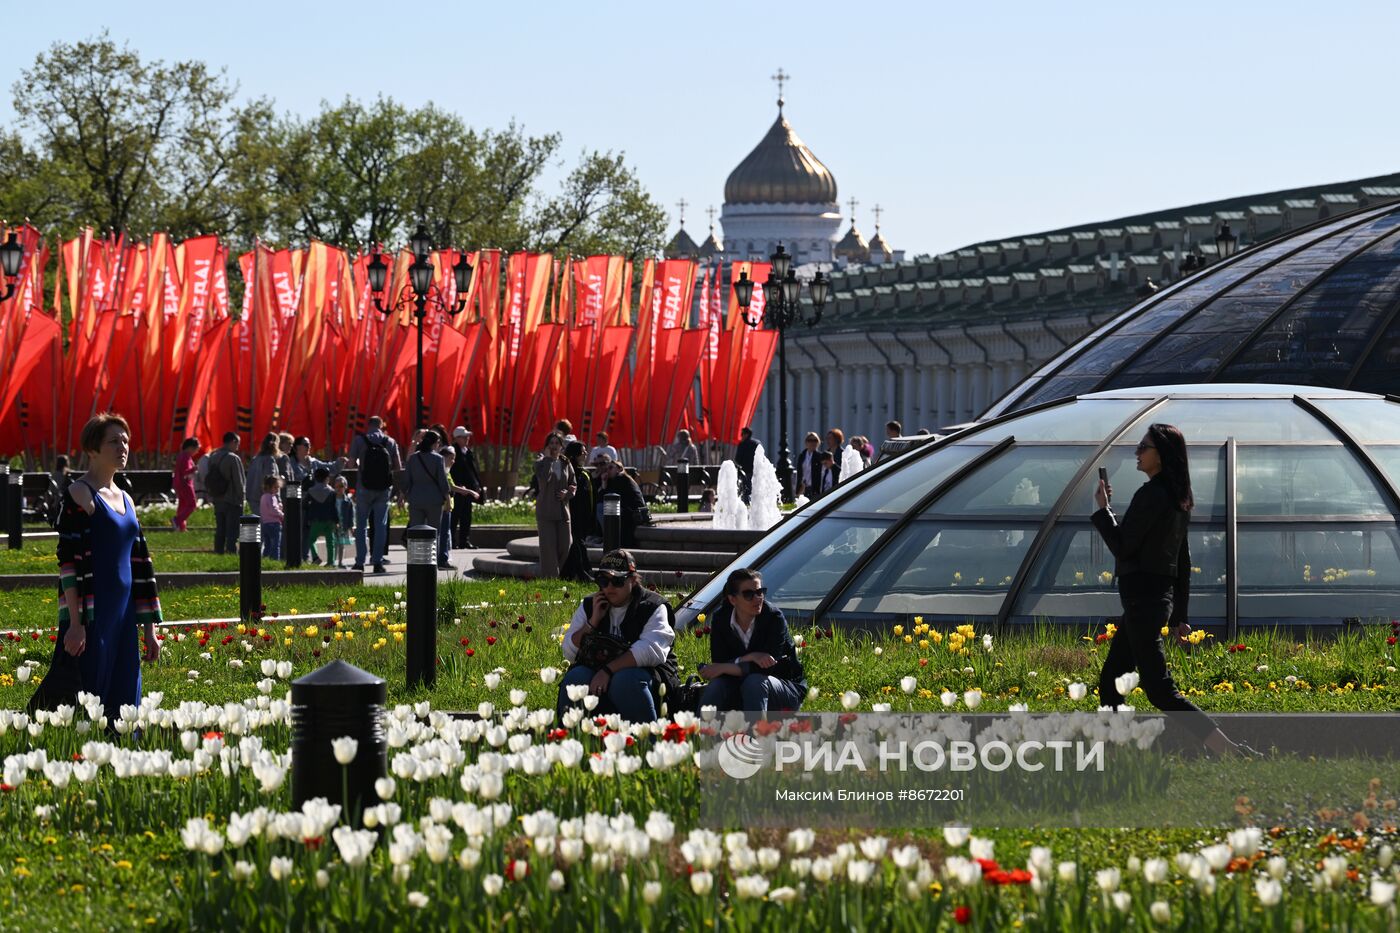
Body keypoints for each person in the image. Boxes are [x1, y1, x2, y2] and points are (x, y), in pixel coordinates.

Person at [1092, 422, 1255, 758]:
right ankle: (1115, 750)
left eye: (1144, 447)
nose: (1137, 452)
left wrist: (1102, 511)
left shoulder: (1151, 494)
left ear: (1162, 455)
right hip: (1154, 601)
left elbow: (1123, 547)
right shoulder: (1177, 497)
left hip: (1142, 602)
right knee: (1111, 679)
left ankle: (1227, 749)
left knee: (1158, 688)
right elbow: (1182, 561)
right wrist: (1180, 614)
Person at [47, 413, 162, 721]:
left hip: (124, 616)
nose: (122, 447)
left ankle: (123, 756)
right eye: (114, 441)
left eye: (125, 441)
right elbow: (68, 565)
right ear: (92, 449)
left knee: (126, 696)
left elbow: (140, 566)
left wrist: (150, 629)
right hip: (92, 614)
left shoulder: (126, 498)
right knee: (90, 696)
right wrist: (74, 623)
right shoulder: (80, 494)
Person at [555, 550, 678, 724]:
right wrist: (592, 623)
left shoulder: (653, 606)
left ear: (633, 579)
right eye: (603, 581)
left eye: (617, 581)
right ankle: (569, 741)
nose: (609, 588)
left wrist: (608, 671)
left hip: (648, 676)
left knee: (624, 680)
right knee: (576, 678)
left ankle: (647, 741)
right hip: (598, 672)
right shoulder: (591, 605)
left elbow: (651, 651)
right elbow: (569, 652)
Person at [698, 568, 806, 714]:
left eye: (760, 592)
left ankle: (756, 735)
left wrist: (724, 667)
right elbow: (719, 660)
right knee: (716, 685)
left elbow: (766, 668)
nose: (757, 598)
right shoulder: (721, 618)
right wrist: (750, 657)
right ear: (732, 599)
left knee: (754, 682)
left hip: (783, 687)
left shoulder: (774, 618)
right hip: (740, 685)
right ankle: (698, 734)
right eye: (749, 594)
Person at [349, 415, 403, 574]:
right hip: (383, 489)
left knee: (361, 526)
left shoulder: (359, 441)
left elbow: (351, 464)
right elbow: (398, 468)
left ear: (368, 425)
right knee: (380, 526)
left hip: (363, 488)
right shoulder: (390, 442)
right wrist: (399, 491)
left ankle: (360, 562)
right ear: (381, 425)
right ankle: (377, 562)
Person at [534, 432, 576, 579]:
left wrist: (567, 493)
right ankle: (550, 578)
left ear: (561, 446)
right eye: (551, 443)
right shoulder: (540, 462)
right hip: (545, 511)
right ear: (547, 446)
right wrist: (547, 459)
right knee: (548, 548)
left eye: (556, 443)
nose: (553, 446)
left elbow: (573, 484)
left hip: (563, 511)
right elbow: (544, 479)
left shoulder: (566, 463)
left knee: (566, 545)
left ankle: (561, 574)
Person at [560, 440, 596, 582]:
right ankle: (583, 572)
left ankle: (577, 572)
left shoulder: (585, 473)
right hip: (573, 515)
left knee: (578, 543)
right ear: (575, 455)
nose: (586, 453)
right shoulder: (570, 472)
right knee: (577, 545)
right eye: (583, 451)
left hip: (584, 516)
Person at [404, 430, 451, 534]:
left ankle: (417, 550)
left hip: (416, 499)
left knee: (415, 532)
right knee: (434, 533)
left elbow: (407, 480)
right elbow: (442, 481)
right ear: (434, 443)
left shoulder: (413, 458)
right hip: (434, 500)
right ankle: (432, 551)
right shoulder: (438, 459)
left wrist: (402, 496)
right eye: (438, 442)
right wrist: (448, 500)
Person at [205, 432, 245, 555]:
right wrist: (242, 497)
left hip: (218, 498)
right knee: (232, 530)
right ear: (233, 442)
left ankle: (218, 551)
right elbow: (239, 481)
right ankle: (231, 552)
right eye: (237, 443)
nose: (238, 447)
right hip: (232, 499)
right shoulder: (233, 458)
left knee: (220, 528)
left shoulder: (213, 456)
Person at [437, 446, 474, 571]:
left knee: (444, 534)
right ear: (443, 458)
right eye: (451, 458)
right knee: (444, 535)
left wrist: (467, 491)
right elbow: (449, 488)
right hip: (444, 507)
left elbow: (452, 487)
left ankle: (443, 558)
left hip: (445, 507)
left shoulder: (445, 471)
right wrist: (468, 491)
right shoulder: (442, 471)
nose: (453, 461)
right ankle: (443, 559)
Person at [598, 459, 649, 548]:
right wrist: (604, 482)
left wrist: (604, 485)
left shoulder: (621, 478)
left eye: (610, 468)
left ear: (619, 469)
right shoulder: (616, 479)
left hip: (633, 512)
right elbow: (603, 498)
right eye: (606, 469)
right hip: (631, 511)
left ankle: (609, 537)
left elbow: (606, 499)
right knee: (602, 507)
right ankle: (607, 537)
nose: (608, 471)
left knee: (600, 508)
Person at [449, 427, 483, 550]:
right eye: (464, 437)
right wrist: (458, 484)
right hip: (457, 489)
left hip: (468, 490)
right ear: (457, 438)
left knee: (466, 516)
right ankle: (451, 541)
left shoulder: (468, 452)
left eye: (467, 436)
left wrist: (476, 485)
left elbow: (472, 471)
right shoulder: (453, 451)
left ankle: (465, 541)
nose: (467, 439)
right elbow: (451, 470)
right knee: (454, 516)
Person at [245, 433, 287, 515]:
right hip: (266, 499)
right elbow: (272, 481)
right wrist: (278, 501)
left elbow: (249, 478)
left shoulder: (255, 459)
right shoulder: (269, 460)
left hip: (253, 498)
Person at [305, 467, 339, 565]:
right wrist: (336, 521)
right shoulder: (332, 492)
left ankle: (315, 557)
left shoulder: (311, 491)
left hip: (315, 520)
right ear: (327, 478)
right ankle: (330, 562)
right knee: (330, 542)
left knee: (311, 540)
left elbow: (304, 504)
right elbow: (334, 507)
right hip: (329, 520)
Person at [172, 439, 199, 531]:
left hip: (179, 483)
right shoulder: (186, 457)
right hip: (185, 484)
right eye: (196, 449)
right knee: (192, 504)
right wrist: (195, 468)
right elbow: (185, 472)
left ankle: (181, 527)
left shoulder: (181, 455)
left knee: (183, 505)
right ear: (190, 448)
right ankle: (178, 520)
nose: (197, 451)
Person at [259, 474, 284, 559]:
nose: (277, 490)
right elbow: (273, 510)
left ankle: (265, 558)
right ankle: (275, 560)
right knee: (276, 545)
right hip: (274, 523)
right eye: (275, 487)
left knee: (268, 544)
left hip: (265, 523)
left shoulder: (263, 497)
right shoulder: (271, 497)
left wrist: (279, 506)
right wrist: (281, 514)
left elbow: (267, 509)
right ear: (269, 487)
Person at [333, 476, 354, 568]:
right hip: (334, 524)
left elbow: (351, 514)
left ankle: (340, 562)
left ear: (345, 487)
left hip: (343, 525)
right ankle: (332, 561)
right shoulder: (332, 499)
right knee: (333, 544)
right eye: (336, 486)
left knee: (341, 544)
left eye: (341, 486)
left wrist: (351, 526)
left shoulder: (348, 501)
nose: (338, 488)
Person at [793, 432, 823, 498]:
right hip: (803, 487)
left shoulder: (820, 456)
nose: (813, 443)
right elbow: (799, 474)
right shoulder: (802, 456)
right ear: (806, 442)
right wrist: (797, 489)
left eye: (815, 440)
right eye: (810, 440)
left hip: (814, 488)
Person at [734, 427, 759, 503]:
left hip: (746, 470)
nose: (741, 436)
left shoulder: (742, 444)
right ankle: (754, 503)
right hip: (755, 470)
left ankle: (747, 502)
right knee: (755, 487)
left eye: (742, 434)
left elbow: (737, 458)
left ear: (746, 434)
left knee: (746, 488)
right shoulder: (756, 443)